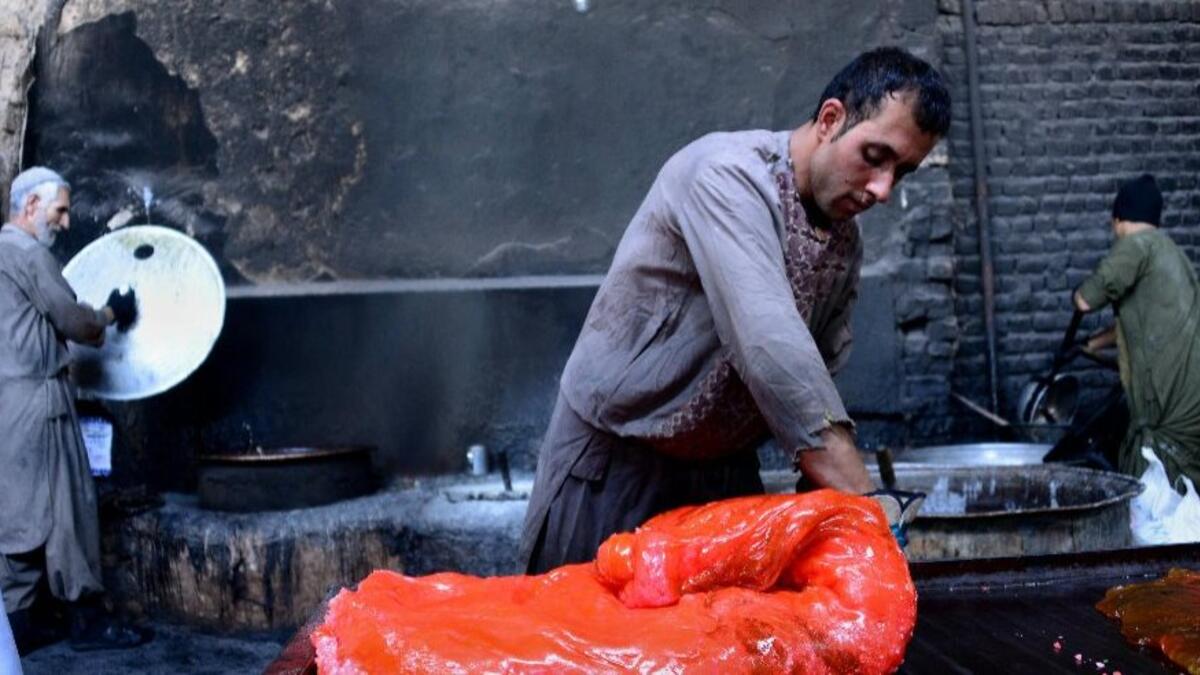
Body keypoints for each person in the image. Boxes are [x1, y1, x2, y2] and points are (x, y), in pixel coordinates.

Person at [520, 47, 952, 573]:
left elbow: (822, 369)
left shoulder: (844, 240)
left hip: (723, 478)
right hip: (615, 471)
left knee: (733, 626)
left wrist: (829, 514)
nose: (883, 189)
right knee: (581, 617)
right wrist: (869, 510)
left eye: (901, 172)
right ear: (830, 119)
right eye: (875, 156)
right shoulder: (725, 176)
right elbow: (772, 348)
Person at [0, 166, 146, 652]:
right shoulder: (28, 254)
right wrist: (110, 312)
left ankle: (18, 623)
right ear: (31, 206)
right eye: (60, 211)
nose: (65, 222)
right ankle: (88, 620)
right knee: (70, 506)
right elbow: (74, 322)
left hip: (6, 405)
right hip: (41, 403)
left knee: (17, 510)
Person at [1075, 174, 1200, 491]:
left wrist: (1078, 296)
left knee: (1154, 492)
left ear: (1118, 220)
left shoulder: (1136, 245)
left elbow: (1085, 300)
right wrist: (1093, 343)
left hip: (1168, 413)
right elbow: (1144, 322)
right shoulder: (1170, 253)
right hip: (1192, 403)